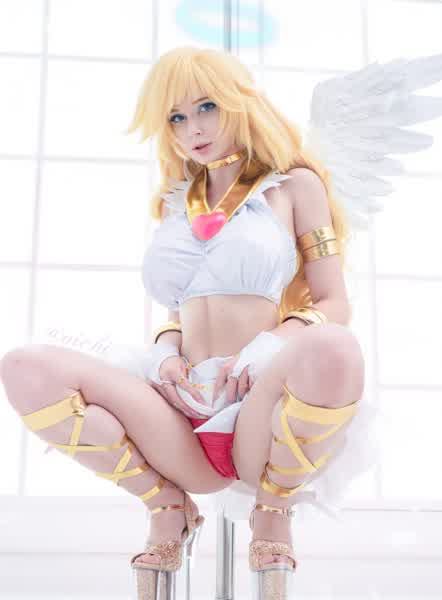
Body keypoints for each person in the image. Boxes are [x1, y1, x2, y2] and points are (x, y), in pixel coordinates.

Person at [0, 46, 379, 598]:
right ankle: (167, 508)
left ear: (238, 103)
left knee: (337, 349)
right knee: (26, 367)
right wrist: (165, 352)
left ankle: (273, 511)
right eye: (176, 117)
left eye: (206, 107)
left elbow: (334, 301)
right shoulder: (179, 201)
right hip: (178, 409)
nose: (192, 128)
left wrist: (268, 347)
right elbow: (181, 307)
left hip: (256, 405)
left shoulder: (294, 186)